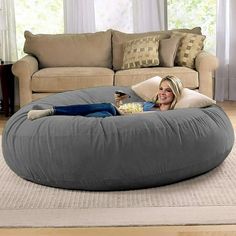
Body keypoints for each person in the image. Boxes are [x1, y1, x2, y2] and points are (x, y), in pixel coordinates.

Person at [27, 75, 183, 120]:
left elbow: (138, 119)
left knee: (108, 108)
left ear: (175, 93)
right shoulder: (150, 104)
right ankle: (51, 116)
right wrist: (120, 102)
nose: (162, 92)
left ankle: (52, 112)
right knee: (104, 114)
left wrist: (119, 110)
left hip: (123, 119)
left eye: (168, 90)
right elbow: (131, 109)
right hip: (117, 114)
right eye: (161, 88)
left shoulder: (169, 115)